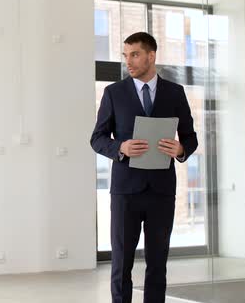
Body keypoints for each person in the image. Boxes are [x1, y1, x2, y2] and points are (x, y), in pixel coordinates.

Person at [90, 32, 198, 303]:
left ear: (151, 56)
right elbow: (97, 139)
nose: (129, 61)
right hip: (126, 191)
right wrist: (120, 148)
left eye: (135, 54)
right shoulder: (114, 93)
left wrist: (182, 149)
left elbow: (190, 137)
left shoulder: (175, 93)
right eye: (125, 55)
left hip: (161, 192)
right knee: (121, 263)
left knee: (158, 263)